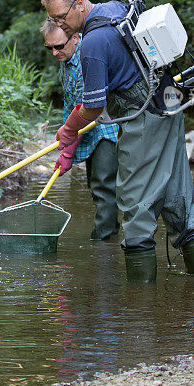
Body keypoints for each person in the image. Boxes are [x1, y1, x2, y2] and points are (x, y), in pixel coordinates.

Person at [41, 0, 194, 282]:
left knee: (134, 205)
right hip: (169, 105)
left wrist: (68, 130)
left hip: (142, 118)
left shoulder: (91, 44)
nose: (60, 25)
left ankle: (139, 311)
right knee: (176, 197)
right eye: (53, 19)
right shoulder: (115, 8)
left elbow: (91, 107)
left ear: (79, 3)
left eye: (62, 17)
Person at [40, 18, 119, 241]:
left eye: (59, 46)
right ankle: (110, 232)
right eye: (49, 48)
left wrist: (68, 151)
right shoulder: (66, 63)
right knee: (95, 186)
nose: (54, 53)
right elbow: (70, 106)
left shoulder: (87, 58)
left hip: (106, 128)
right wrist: (66, 147)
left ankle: (104, 241)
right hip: (87, 129)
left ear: (75, 37)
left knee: (103, 186)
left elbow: (86, 109)